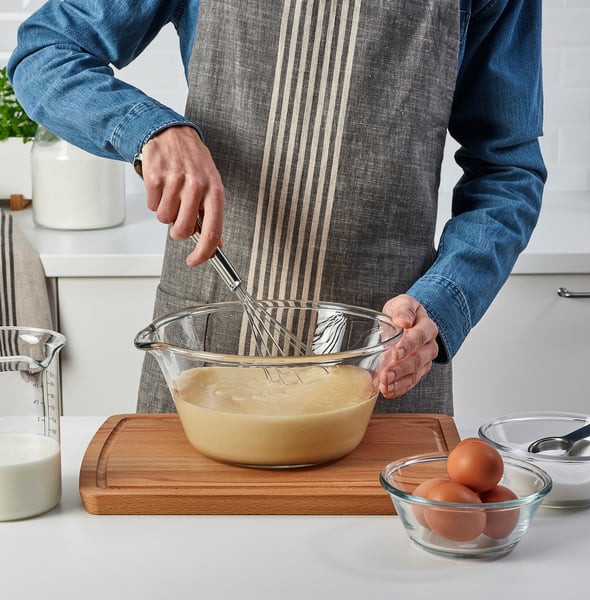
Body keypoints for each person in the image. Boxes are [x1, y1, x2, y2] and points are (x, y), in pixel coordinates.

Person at [8, 0, 546, 415]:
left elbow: (508, 170)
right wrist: (149, 129)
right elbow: (45, 52)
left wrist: (444, 303)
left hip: (388, 367)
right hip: (209, 352)